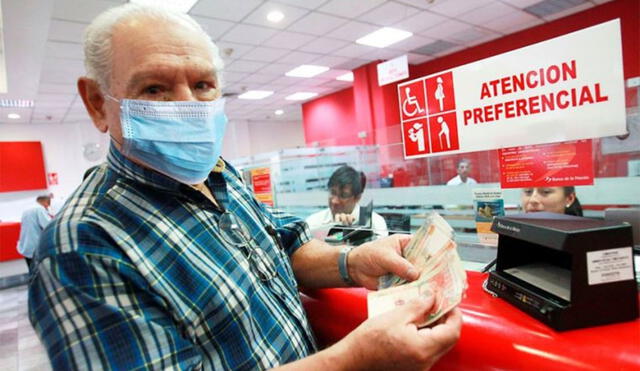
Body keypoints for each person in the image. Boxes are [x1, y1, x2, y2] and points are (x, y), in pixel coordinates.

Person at [28, 4, 461, 370]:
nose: (188, 107)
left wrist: (351, 261)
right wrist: (353, 360)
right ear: (97, 103)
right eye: (155, 88)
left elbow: (282, 246)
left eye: (202, 85)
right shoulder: (81, 247)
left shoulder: (219, 174)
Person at [306, 165, 389, 237]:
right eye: (332, 192)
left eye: (343, 195)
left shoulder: (375, 224)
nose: (334, 201)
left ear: (357, 197)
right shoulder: (313, 223)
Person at [16, 195, 53, 272]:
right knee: (40, 271)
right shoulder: (39, 209)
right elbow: (48, 225)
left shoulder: (27, 209)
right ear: (46, 203)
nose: (47, 207)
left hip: (26, 245)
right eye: (48, 205)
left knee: (32, 269)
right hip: (35, 245)